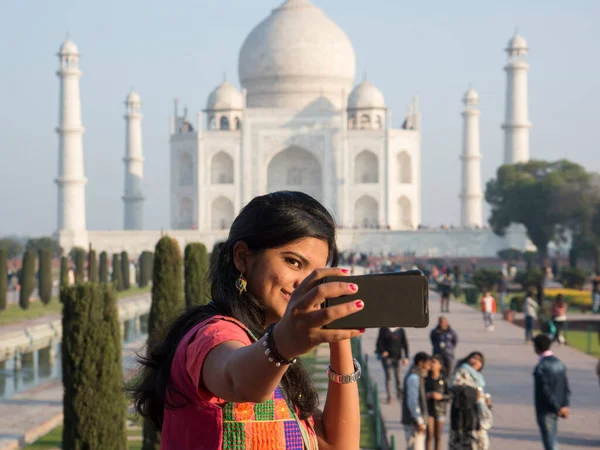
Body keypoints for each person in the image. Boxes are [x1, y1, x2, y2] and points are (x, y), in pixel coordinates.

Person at [130, 191, 365, 450]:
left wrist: (339, 335)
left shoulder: (269, 355)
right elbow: (237, 381)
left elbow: (338, 445)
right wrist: (284, 344)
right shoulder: (213, 335)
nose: (304, 283)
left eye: (316, 273)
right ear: (243, 257)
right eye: (293, 262)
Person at [533, 334, 571, 450]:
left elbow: (545, 391)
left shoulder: (541, 367)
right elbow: (565, 386)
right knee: (552, 438)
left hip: (546, 408)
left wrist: (557, 407)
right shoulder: (559, 363)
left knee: (550, 442)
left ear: (536, 348)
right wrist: (564, 405)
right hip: (557, 406)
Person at [449, 352, 493, 450]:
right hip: (464, 414)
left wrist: (485, 401)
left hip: (477, 413)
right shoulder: (462, 371)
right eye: (474, 357)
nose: (476, 361)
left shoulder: (478, 377)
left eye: (479, 360)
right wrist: (474, 394)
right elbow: (454, 387)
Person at [402, 352, 432, 450]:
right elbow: (413, 402)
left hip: (416, 421)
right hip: (414, 422)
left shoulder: (418, 376)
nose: (429, 367)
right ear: (420, 363)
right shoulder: (414, 378)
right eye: (428, 364)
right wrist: (419, 421)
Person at [376, 327, 410, 404]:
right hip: (387, 358)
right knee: (389, 377)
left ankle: (399, 393)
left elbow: (405, 344)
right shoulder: (384, 330)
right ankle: (389, 396)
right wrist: (382, 351)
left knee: (398, 377)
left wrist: (406, 357)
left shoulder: (400, 330)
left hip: (398, 357)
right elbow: (379, 343)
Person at [425, 355, 449, 450]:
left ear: (440, 366)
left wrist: (441, 396)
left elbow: (450, 395)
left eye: (434, 362)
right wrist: (427, 395)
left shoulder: (443, 380)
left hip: (440, 410)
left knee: (438, 435)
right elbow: (421, 393)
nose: (432, 364)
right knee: (430, 434)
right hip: (429, 409)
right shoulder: (426, 379)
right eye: (431, 362)